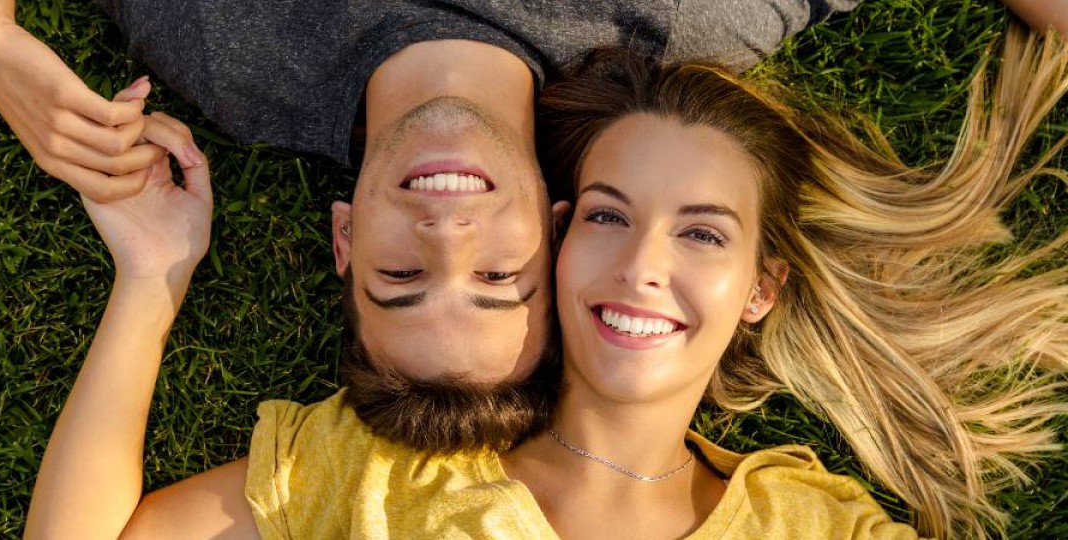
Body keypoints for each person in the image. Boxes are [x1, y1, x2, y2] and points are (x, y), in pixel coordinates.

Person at [243, 24, 1067, 539]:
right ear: (557, 238)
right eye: (608, 217)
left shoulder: (815, 528)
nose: (641, 267)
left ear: (760, 289)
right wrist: (146, 282)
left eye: (703, 233)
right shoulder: (385, 480)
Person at [0, 1, 865, 454]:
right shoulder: (676, 27)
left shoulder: (232, 57)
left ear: (345, 241)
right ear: (558, 232)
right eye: (501, 280)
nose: (447, 232)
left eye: (401, 280)